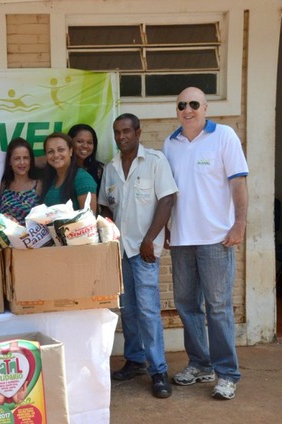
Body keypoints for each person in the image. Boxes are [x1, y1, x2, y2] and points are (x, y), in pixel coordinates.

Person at [163, 87, 248, 400]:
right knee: (186, 306)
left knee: (219, 308)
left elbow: (238, 183)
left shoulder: (224, 136)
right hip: (183, 240)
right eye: (181, 104)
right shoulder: (170, 143)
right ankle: (201, 364)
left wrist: (239, 224)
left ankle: (227, 374)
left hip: (216, 239)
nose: (187, 109)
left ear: (206, 107)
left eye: (194, 104)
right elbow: (170, 193)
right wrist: (168, 228)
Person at [99, 113, 178, 399]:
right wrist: (109, 233)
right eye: (117, 132)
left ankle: (158, 370)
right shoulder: (110, 168)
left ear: (138, 132)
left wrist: (149, 239)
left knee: (147, 310)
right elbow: (105, 207)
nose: (122, 137)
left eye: (127, 131)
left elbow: (167, 200)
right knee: (128, 310)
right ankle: (135, 360)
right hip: (119, 251)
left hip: (144, 251)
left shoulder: (155, 162)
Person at [41, 132, 98, 211]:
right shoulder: (51, 178)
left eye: (61, 150)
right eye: (50, 151)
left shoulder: (83, 179)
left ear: (71, 151)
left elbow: (89, 219)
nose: (56, 155)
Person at [0, 137, 42, 225]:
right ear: (10, 162)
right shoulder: (4, 185)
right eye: (17, 158)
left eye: (26, 158)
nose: (22, 162)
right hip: (6, 237)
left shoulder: (38, 185)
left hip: (32, 237)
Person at [68, 123, 105, 192]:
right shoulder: (62, 168)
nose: (85, 146)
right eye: (80, 141)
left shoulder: (99, 169)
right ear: (70, 143)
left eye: (89, 142)